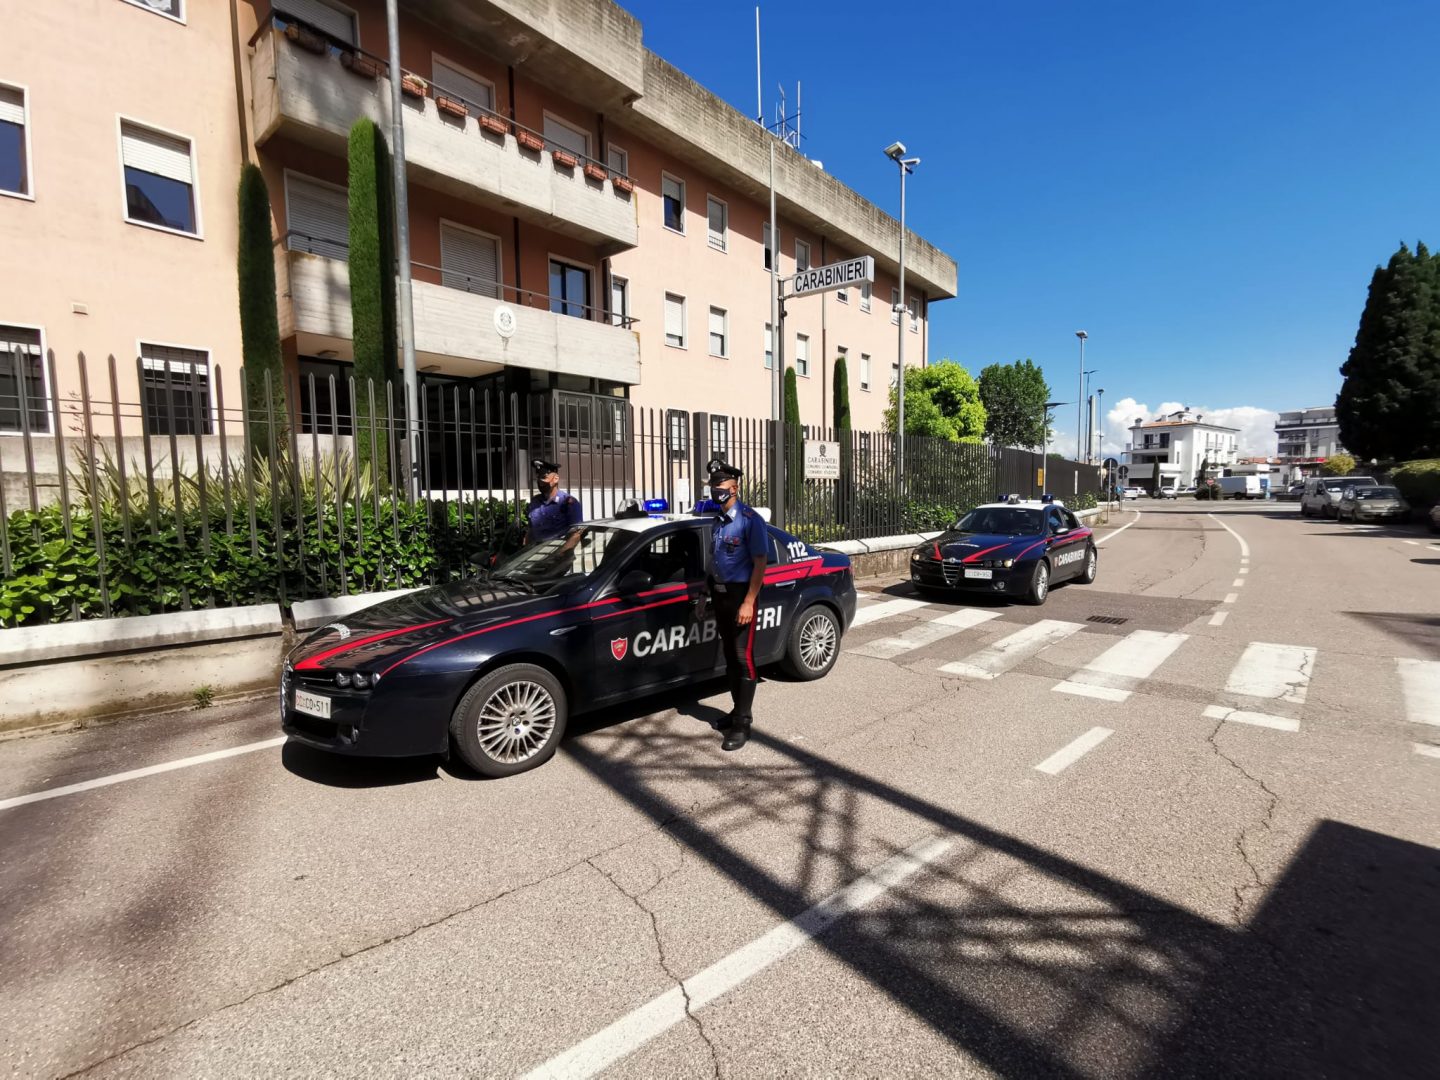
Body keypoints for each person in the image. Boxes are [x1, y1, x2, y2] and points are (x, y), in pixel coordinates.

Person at [705, 459, 768, 751]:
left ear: (735, 487)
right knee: (730, 656)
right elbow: (714, 563)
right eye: (713, 484)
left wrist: (748, 602)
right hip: (720, 596)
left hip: (742, 596)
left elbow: (760, 563)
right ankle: (736, 711)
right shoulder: (718, 521)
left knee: (743, 657)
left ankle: (743, 724)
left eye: (719, 484)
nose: (715, 489)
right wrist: (707, 596)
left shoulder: (749, 520)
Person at [525, 460, 582, 545]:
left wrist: (561, 553)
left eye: (544, 477)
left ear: (555, 479)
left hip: (559, 554)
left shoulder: (568, 503)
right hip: (536, 554)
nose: (540, 482)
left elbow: (576, 534)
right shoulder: (535, 502)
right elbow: (531, 531)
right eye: (538, 477)